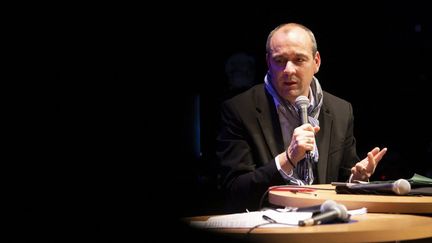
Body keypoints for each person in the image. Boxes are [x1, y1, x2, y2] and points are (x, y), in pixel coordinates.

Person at [216, 23, 387, 212]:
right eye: (279, 60)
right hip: (269, 226)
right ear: (268, 62)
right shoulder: (240, 109)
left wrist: (357, 180)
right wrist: (288, 159)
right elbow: (234, 192)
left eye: (299, 59)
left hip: (324, 223)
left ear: (316, 62)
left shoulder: (340, 110)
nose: (288, 69)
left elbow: (343, 180)